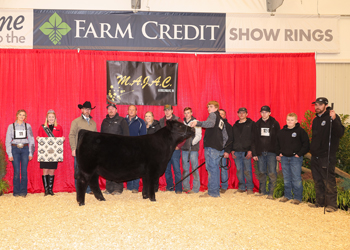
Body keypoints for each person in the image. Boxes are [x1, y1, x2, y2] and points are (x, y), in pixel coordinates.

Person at [308, 97, 344, 212]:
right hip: (315, 155)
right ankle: (320, 202)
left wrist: (334, 120)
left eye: (319, 104)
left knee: (328, 180)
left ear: (325, 105)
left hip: (326, 155)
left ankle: (332, 205)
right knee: (317, 180)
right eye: (316, 105)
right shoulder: (315, 120)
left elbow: (340, 133)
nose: (317, 107)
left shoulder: (331, 117)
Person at [191, 101, 229, 198]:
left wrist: (197, 122)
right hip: (217, 148)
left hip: (212, 147)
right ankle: (214, 191)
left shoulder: (213, 115)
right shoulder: (221, 119)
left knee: (212, 169)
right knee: (215, 169)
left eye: (211, 106)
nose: (209, 108)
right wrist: (221, 145)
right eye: (208, 107)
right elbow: (225, 136)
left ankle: (213, 192)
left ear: (216, 108)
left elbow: (210, 124)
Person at [276, 113, 310, 205]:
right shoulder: (281, 132)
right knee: (286, 178)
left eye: (291, 120)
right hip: (284, 158)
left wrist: (299, 154)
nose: (289, 122)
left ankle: (297, 197)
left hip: (295, 158)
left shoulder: (301, 131)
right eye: (288, 120)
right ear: (286, 120)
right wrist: (279, 152)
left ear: (296, 121)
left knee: (296, 178)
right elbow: (276, 143)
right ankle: (287, 196)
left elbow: (306, 144)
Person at [252, 105, 280, 199]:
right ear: (260, 113)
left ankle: (272, 192)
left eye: (266, 112)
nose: (264, 114)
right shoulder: (257, 124)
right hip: (260, 152)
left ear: (269, 113)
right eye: (262, 112)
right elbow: (254, 140)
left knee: (272, 172)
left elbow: (278, 139)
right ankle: (262, 191)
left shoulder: (275, 123)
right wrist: (254, 153)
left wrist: (278, 153)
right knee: (261, 172)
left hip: (271, 152)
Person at [69, 101, 97, 194]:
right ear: (82, 110)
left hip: (91, 151)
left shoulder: (93, 123)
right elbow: (72, 135)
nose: (87, 111)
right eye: (85, 109)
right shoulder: (76, 121)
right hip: (80, 150)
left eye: (89, 109)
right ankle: (79, 190)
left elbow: (96, 137)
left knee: (89, 171)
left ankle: (88, 189)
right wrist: (73, 148)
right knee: (79, 171)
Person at [5, 109, 35, 197]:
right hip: (15, 149)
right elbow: (7, 141)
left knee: (24, 171)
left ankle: (23, 192)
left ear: (25, 117)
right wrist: (9, 154)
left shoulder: (28, 126)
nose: (22, 117)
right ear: (17, 115)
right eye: (20, 115)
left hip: (25, 149)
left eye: (24, 115)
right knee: (17, 171)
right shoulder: (11, 126)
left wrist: (31, 153)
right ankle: (16, 192)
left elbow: (31, 140)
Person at [101, 104, 129, 195]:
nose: (111, 110)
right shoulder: (104, 121)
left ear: (116, 110)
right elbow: (101, 136)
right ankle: (109, 189)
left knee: (118, 169)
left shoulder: (121, 120)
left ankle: (118, 189)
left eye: (113, 109)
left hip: (118, 149)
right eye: (109, 109)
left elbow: (126, 135)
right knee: (107, 168)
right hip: (107, 150)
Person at [37, 109, 64, 196]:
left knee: (52, 170)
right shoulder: (42, 127)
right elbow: (40, 137)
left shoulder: (59, 127)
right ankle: (46, 190)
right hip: (44, 153)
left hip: (54, 153)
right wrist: (38, 139)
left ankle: (50, 190)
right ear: (47, 118)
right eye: (49, 117)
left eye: (53, 117)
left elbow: (60, 138)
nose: (51, 118)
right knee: (45, 170)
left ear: (55, 118)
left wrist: (62, 139)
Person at [159, 104, 185, 194]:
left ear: (172, 111)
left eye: (169, 110)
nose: (167, 111)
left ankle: (178, 189)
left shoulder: (177, 120)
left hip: (174, 150)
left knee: (177, 169)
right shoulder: (161, 121)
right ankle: (169, 187)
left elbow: (183, 134)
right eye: (165, 110)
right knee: (166, 169)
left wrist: (179, 146)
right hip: (165, 150)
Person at [231, 107, 255, 195]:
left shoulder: (251, 124)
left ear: (246, 114)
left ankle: (249, 188)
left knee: (247, 170)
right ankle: (241, 187)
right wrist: (232, 150)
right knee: (239, 170)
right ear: (237, 114)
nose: (241, 114)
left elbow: (253, 139)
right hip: (237, 151)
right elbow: (232, 139)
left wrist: (251, 150)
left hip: (246, 151)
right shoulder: (235, 125)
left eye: (243, 113)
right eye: (240, 113)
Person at [125, 105, 147, 193]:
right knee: (127, 167)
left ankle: (135, 187)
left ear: (136, 111)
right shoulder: (123, 121)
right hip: (125, 148)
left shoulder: (141, 122)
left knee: (137, 167)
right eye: (130, 109)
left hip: (136, 149)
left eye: (133, 110)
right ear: (127, 111)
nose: (131, 111)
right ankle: (129, 186)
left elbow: (143, 137)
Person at [181, 107, 202, 194]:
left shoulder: (195, 122)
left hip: (193, 149)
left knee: (194, 168)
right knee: (185, 168)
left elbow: (199, 135)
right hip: (184, 149)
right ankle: (186, 186)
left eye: (188, 113)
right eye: (185, 113)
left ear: (191, 113)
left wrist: (191, 143)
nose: (186, 115)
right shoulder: (182, 123)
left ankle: (196, 188)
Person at [145, 111, 161, 192]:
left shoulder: (157, 126)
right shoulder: (143, 126)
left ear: (153, 117)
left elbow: (159, 139)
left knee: (154, 169)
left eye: (149, 116)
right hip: (144, 152)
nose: (148, 118)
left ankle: (155, 187)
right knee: (146, 170)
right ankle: (147, 186)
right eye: (146, 116)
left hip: (154, 151)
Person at [218, 109, 233, 194]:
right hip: (215, 150)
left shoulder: (228, 126)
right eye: (219, 114)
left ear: (225, 116)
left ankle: (224, 186)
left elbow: (230, 139)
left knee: (223, 168)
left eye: (222, 114)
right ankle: (215, 185)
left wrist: (227, 151)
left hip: (223, 150)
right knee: (214, 169)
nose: (220, 115)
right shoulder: (214, 125)